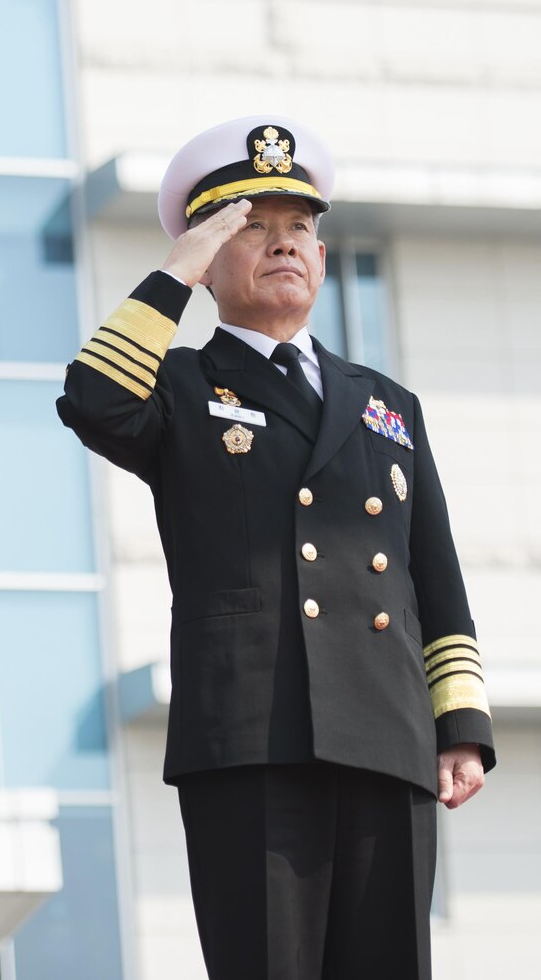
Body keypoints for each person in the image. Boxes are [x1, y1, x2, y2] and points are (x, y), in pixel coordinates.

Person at [57, 116, 494, 980]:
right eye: (252, 227)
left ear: (324, 260)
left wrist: (461, 726)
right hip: (251, 735)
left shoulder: (387, 404)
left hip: (386, 732)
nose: (282, 244)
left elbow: (435, 583)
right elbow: (93, 400)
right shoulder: (180, 383)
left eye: (300, 229)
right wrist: (179, 263)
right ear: (209, 258)